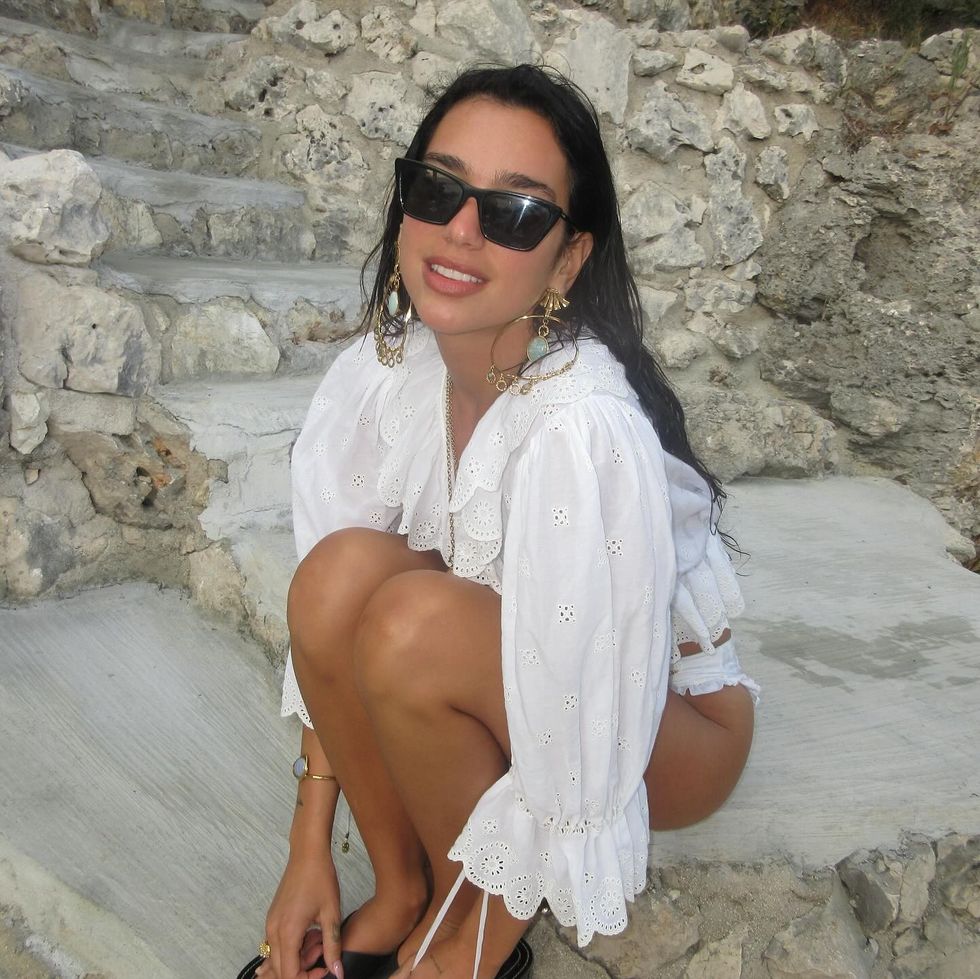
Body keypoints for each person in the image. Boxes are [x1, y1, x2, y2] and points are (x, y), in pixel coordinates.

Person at [248, 64, 758, 979]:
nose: (461, 230)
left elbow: (579, 720)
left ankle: (458, 935)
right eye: (438, 189)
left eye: (515, 213)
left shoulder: (577, 423)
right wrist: (308, 845)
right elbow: (325, 639)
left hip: (658, 722)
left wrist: (476, 942)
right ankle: (401, 886)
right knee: (335, 577)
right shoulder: (387, 373)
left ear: (566, 260)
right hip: (510, 662)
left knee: (412, 626)